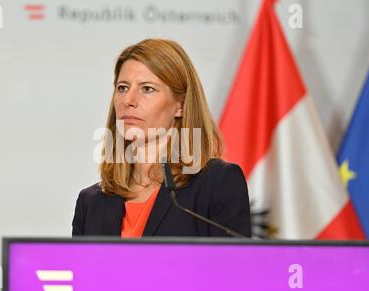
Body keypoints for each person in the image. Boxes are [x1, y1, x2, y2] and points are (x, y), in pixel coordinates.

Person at [72, 38, 251, 237]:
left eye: (147, 88)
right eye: (122, 87)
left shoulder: (217, 183)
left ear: (180, 105)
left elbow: (234, 267)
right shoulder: (91, 202)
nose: (128, 100)